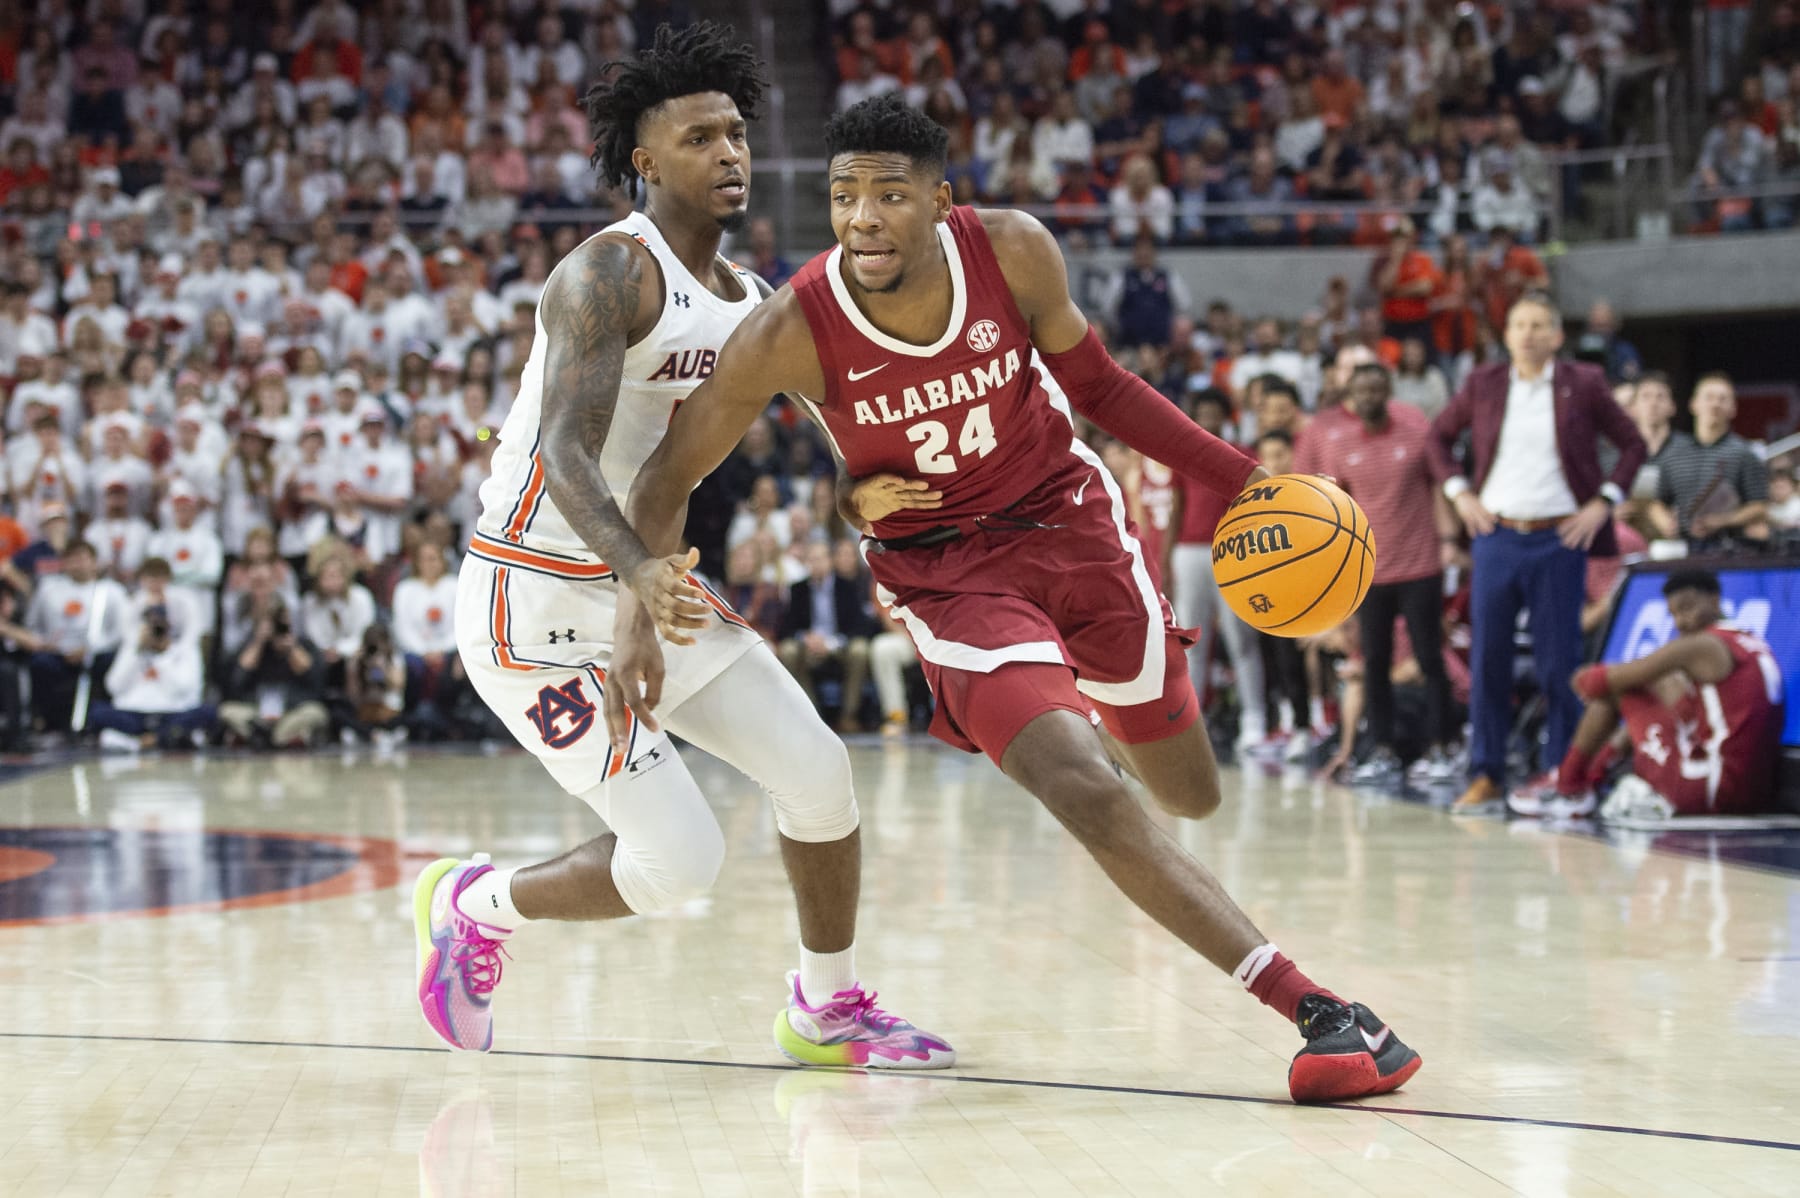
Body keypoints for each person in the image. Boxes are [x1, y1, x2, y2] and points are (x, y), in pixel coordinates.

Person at [618, 94, 1420, 1104]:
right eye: (843, 196)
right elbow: (664, 477)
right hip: (946, 571)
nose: (863, 218)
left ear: (942, 202)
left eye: (890, 196)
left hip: (1072, 519)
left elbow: (1110, 390)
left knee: (1188, 791)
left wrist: (1247, 482)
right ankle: (1320, 1012)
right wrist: (636, 608)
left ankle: (1109, 715)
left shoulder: (1014, 252)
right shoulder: (790, 329)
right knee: (1081, 785)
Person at [428, 26, 950, 1067]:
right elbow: (565, 457)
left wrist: (882, 499)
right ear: (645, 161)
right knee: (679, 864)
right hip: (529, 603)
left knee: (819, 772)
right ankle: (477, 906)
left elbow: (847, 428)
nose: (731, 153)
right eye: (701, 135)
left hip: (643, 582)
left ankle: (825, 1007)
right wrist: (637, 583)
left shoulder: (755, 303)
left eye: (739, 133)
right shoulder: (607, 275)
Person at [1428, 293, 1646, 814]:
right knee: (1488, 661)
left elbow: (1633, 444)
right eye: (1519, 324)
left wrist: (1604, 504)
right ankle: (1486, 773)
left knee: (1558, 664)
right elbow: (1437, 438)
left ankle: (1560, 775)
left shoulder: (1585, 382)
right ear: (1506, 334)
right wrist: (1461, 494)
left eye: (1539, 325)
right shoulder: (1484, 383)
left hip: (1559, 538)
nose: (1528, 333)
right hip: (1497, 536)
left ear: (1557, 335)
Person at [1297, 364, 1459, 786]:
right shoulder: (1341, 447)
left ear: (1388, 390)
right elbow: (1337, 511)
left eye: (1375, 386)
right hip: (1370, 572)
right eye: (1360, 388)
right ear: (1350, 395)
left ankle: (1444, 745)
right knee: (1375, 663)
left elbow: (1441, 487)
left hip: (1420, 565)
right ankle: (1382, 749)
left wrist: (1448, 539)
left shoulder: (1416, 435)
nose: (1368, 394)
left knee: (1429, 659)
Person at [1512, 570, 1783, 820]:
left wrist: (1583, 678)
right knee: (1654, 688)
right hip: (1754, 790)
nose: (1681, 621)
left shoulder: (1700, 645)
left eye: (1688, 607)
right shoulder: (1748, 639)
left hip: (1712, 788)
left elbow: (1598, 681)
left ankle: (1570, 785)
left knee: (1624, 689)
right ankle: (1590, 777)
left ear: (1715, 599)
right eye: (1674, 614)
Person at [1651, 374, 1769, 547]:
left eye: (1723, 399)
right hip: (1682, 547)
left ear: (1733, 408)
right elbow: (1658, 502)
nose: (1715, 404)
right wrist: (1665, 522)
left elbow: (1760, 506)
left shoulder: (1744, 453)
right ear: (1693, 404)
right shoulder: (1673, 453)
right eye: (1709, 397)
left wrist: (1721, 521)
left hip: (1732, 548)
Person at [778, 540, 877, 732]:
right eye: (812, 559)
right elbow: (786, 628)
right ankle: (813, 716)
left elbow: (860, 626)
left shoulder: (846, 586)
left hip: (839, 644)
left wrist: (831, 643)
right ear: (806, 562)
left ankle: (848, 715)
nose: (817, 564)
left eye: (821, 558)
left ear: (830, 561)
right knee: (787, 650)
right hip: (809, 648)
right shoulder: (798, 589)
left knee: (860, 649)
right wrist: (805, 637)